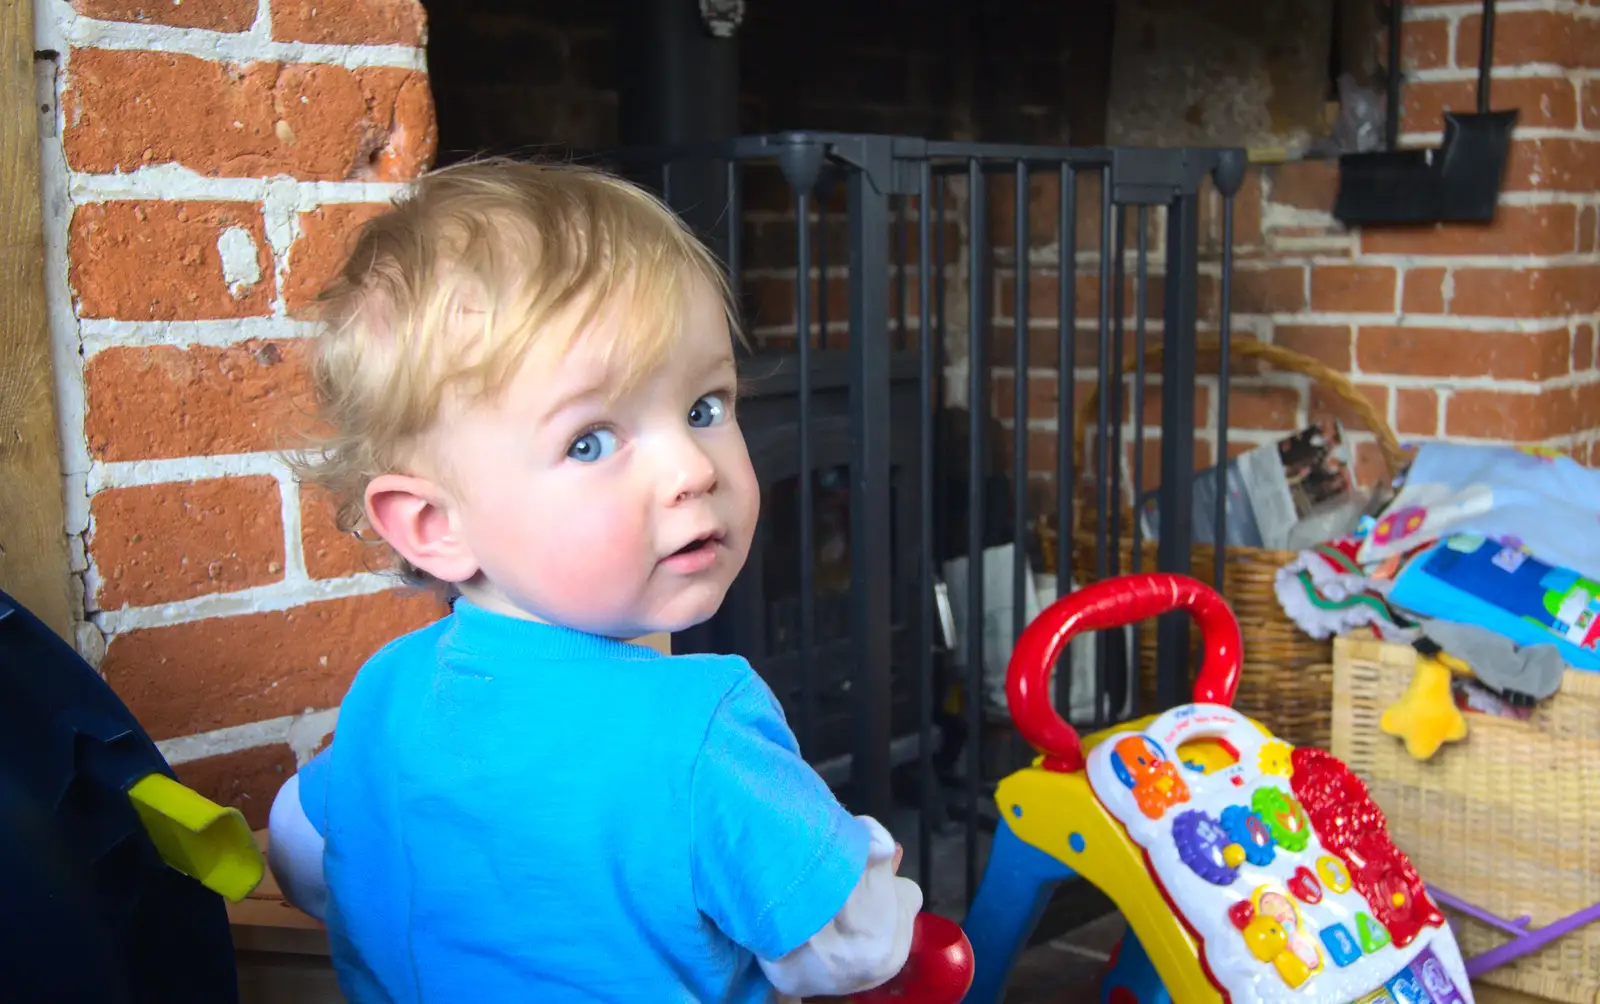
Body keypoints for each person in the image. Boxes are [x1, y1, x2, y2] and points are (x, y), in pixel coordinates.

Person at [265, 158, 922, 1002]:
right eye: (590, 441)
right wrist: (855, 857)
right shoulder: (702, 731)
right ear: (436, 525)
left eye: (705, 407)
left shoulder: (386, 694)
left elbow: (301, 852)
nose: (693, 466)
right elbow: (852, 945)